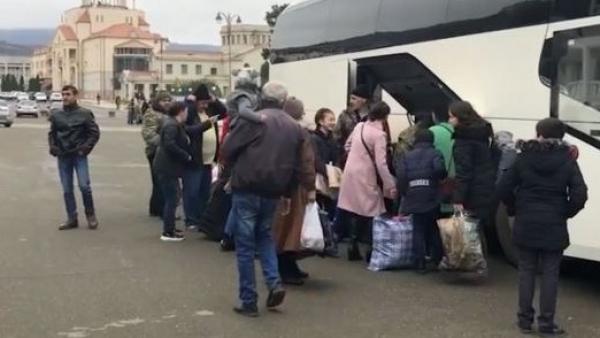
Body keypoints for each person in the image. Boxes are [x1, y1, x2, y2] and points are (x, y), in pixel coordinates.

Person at [498, 118, 587, 336]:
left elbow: (502, 188)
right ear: (562, 136)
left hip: (526, 221)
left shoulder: (523, 158)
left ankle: (524, 321)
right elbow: (579, 194)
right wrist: (565, 212)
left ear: (538, 134)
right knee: (550, 274)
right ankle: (547, 324)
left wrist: (514, 208)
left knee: (526, 271)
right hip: (554, 224)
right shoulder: (567, 160)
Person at [221, 81, 304, 317]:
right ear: (284, 100)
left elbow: (227, 149)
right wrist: (288, 193)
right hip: (274, 190)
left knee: (245, 246)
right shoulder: (293, 126)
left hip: (247, 186)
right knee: (266, 238)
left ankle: (249, 300)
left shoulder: (254, 120)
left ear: (263, 98)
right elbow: (296, 165)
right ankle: (274, 282)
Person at [337, 101, 397, 261]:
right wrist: (390, 184)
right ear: (384, 117)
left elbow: (347, 146)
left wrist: (357, 155)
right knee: (373, 210)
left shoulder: (359, 127)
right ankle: (370, 250)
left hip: (350, 172)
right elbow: (381, 163)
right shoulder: (380, 135)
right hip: (366, 175)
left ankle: (352, 245)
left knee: (355, 208)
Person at [271, 97, 317, 286]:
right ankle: (287, 268)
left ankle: (285, 267)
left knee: (280, 228)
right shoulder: (300, 131)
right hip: (295, 186)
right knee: (292, 229)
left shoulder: (274, 128)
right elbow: (306, 162)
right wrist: (311, 186)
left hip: (276, 183)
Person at [48, 85, 100, 230]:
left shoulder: (85, 114)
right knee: (67, 189)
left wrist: (85, 148)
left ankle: (91, 215)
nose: (65, 97)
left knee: (84, 186)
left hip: (79, 154)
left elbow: (94, 133)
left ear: (75, 96)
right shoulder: (57, 115)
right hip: (63, 156)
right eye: (63, 94)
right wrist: (53, 146)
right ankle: (72, 218)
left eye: (68, 94)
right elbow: (52, 133)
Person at [396, 129, 447, 273]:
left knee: (417, 228)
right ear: (432, 141)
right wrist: (441, 176)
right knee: (434, 228)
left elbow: (401, 176)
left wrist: (405, 192)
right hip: (431, 196)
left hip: (413, 194)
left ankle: (419, 263)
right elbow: (439, 170)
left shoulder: (407, 156)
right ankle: (437, 260)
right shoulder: (435, 153)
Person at [181, 86, 224, 230]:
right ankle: (191, 219)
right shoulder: (191, 114)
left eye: (207, 102)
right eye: (202, 103)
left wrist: (215, 100)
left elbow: (224, 112)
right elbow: (191, 130)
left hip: (209, 160)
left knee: (204, 192)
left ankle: (201, 218)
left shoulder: (210, 111)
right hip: (194, 159)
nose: (205, 106)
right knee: (191, 191)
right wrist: (189, 101)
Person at [449, 101, 497, 228]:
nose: (449, 121)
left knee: (472, 235)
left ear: (460, 117)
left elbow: (464, 172)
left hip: (472, 193)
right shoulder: (483, 133)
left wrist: (458, 198)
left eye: (451, 116)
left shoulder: (463, 140)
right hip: (487, 188)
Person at [153, 102, 193, 242]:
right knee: (172, 198)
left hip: (169, 167)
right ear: (180, 112)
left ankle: (170, 227)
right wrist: (185, 155)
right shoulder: (171, 125)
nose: (187, 114)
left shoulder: (173, 124)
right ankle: (167, 232)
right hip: (167, 167)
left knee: (174, 197)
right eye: (186, 111)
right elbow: (169, 144)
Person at [141, 92, 171, 218]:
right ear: (157, 102)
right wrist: (165, 143)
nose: (167, 102)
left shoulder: (166, 113)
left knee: (160, 180)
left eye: (168, 100)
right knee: (159, 180)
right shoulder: (151, 113)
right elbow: (148, 134)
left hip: (163, 152)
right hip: (155, 151)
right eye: (164, 100)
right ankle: (159, 208)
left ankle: (156, 208)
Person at [311, 108, 339, 219]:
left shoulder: (332, 139)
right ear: (320, 121)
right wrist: (328, 172)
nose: (333, 123)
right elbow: (315, 159)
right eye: (330, 120)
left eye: (334, 120)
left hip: (330, 179)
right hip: (319, 178)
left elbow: (336, 157)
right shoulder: (313, 139)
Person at [334, 85, 371, 167]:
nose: (350, 101)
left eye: (354, 99)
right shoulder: (344, 115)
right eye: (350, 98)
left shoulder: (372, 117)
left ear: (363, 100)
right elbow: (336, 137)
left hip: (367, 161)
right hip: (348, 159)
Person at [429, 108, 455, 215]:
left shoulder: (432, 131)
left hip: (438, 179)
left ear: (434, 117)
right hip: (456, 180)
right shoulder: (458, 131)